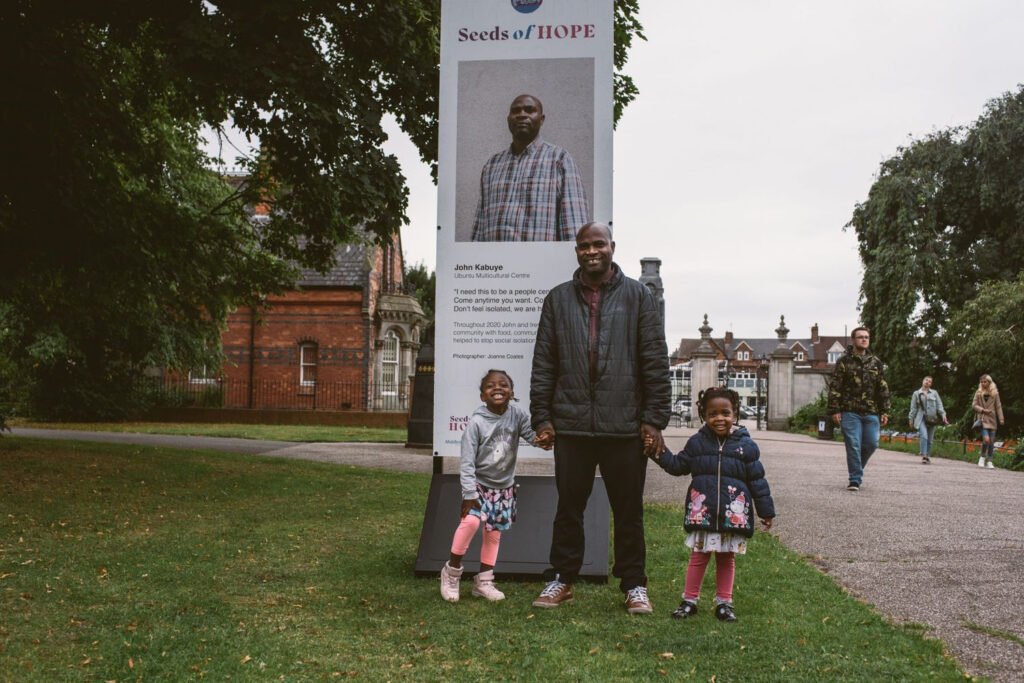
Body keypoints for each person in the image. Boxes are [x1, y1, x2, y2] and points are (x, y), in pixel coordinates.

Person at [529, 222, 671, 614]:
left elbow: (655, 361)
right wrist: (542, 416)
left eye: (598, 245)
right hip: (572, 424)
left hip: (624, 425)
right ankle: (561, 579)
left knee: (628, 511)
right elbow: (544, 363)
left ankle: (633, 585)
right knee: (568, 509)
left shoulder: (639, 297)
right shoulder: (557, 300)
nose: (591, 251)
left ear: (612, 247)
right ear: (577, 251)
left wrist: (653, 419)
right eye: (584, 246)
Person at [649, 387, 775, 622]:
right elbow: (677, 465)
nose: (720, 419)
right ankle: (689, 600)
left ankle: (724, 603)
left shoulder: (746, 447)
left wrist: (766, 511)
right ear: (704, 416)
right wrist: (656, 452)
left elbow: (758, 481)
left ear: (734, 414)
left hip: (731, 516)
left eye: (725, 413)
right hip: (704, 513)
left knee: (726, 558)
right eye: (713, 414)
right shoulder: (697, 443)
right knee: (699, 556)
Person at [440, 369, 548, 602]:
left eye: (503, 385)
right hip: (478, 486)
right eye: (490, 386)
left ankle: (484, 581)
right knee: (470, 522)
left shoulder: (517, 416)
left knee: (493, 533)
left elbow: (531, 436)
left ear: (512, 393)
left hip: (503, 488)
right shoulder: (476, 423)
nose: (497, 388)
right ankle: (451, 572)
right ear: (482, 396)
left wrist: (544, 439)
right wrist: (469, 493)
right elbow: (467, 462)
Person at [470, 94, 589, 242]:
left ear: (542, 119)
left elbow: (574, 228)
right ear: (508, 119)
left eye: (529, 110)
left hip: (542, 263)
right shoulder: (492, 165)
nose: (522, 115)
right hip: (496, 263)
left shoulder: (560, 160)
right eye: (516, 111)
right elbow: (480, 227)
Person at [827, 326, 890, 492]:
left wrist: (885, 410)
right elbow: (835, 387)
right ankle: (855, 479)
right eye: (861, 337)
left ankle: (857, 469)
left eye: (867, 337)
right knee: (853, 444)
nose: (864, 339)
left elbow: (882, 387)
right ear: (853, 340)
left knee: (872, 444)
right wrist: (835, 410)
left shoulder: (875, 362)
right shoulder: (844, 361)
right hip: (850, 411)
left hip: (871, 411)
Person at [907, 376, 948, 464]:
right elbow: (913, 408)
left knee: (930, 439)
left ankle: (927, 455)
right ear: (922, 381)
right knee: (924, 436)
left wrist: (943, 415)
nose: (927, 382)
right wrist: (911, 419)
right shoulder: (916, 393)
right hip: (921, 418)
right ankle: (924, 455)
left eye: (929, 381)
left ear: (931, 384)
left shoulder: (934, 393)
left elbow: (939, 405)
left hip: (932, 418)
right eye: (926, 380)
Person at [972, 374, 1004, 469]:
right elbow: (974, 405)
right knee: (986, 439)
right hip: (982, 419)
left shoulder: (995, 393)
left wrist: (1001, 418)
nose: (983, 383)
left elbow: (998, 406)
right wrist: (982, 410)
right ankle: (982, 457)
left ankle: (989, 461)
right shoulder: (978, 392)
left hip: (992, 419)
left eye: (985, 381)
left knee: (991, 441)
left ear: (989, 382)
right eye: (981, 382)